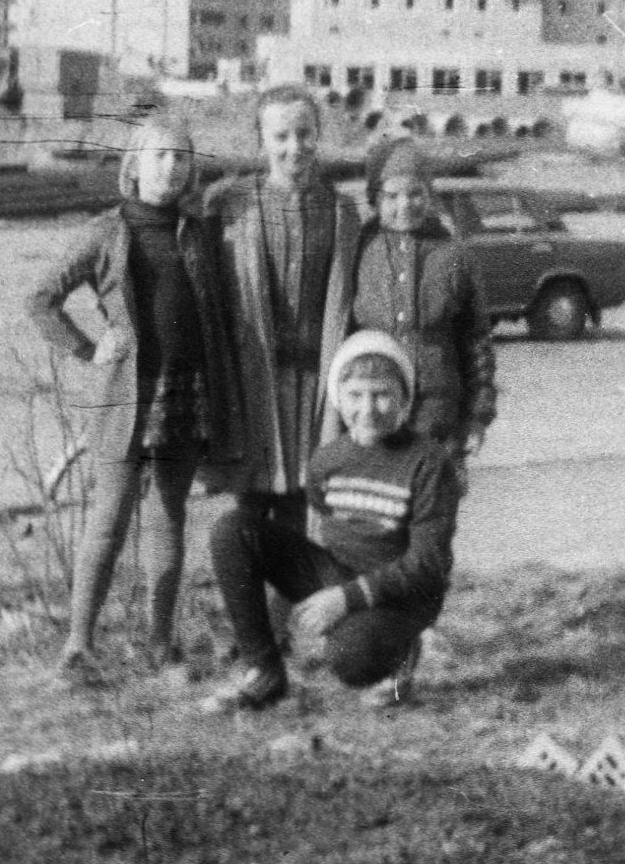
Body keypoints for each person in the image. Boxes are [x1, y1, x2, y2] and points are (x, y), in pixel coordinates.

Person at [25, 107, 245, 681]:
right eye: (160, 157)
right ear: (134, 166)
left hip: (186, 394)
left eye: (182, 158)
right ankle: (78, 646)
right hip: (124, 396)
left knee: (167, 517)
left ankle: (159, 641)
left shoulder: (199, 232)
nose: (171, 169)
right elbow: (42, 299)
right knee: (108, 520)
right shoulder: (105, 232)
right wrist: (87, 348)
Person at [200, 331, 456, 711]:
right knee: (232, 531)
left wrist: (345, 599)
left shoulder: (428, 462)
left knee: (351, 661)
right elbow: (329, 522)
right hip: (339, 572)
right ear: (339, 397)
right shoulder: (327, 460)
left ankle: (404, 650)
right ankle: (263, 671)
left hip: (404, 594)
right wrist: (321, 590)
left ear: (404, 397)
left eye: (382, 394)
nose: (368, 409)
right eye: (355, 396)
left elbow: (429, 564)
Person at [202, 84, 364, 537]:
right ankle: (247, 607)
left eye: (305, 133)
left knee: (301, 510)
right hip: (254, 384)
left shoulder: (339, 209)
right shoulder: (230, 204)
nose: (295, 147)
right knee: (248, 511)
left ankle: (290, 606)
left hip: (316, 385)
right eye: (281, 136)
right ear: (261, 140)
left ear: (319, 134)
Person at [349, 137, 497, 484]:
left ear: (429, 195)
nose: (405, 205)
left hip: (438, 419)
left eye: (415, 193)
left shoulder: (454, 255)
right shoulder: (357, 250)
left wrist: (477, 418)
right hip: (371, 418)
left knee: (431, 520)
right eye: (392, 195)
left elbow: (476, 343)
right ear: (375, 198)